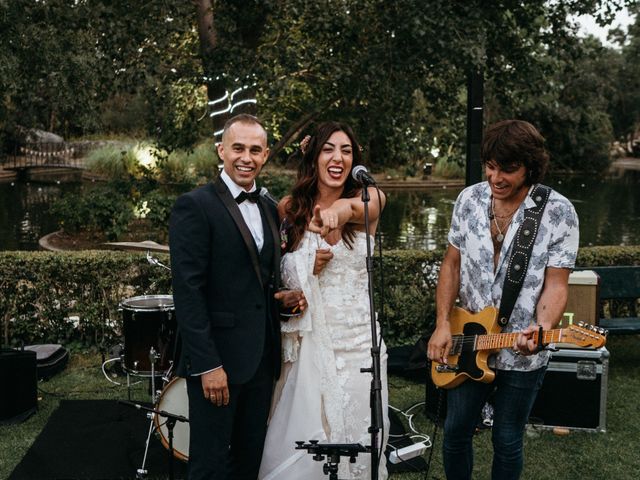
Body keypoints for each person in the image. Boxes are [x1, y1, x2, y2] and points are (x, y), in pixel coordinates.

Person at [427, 119, 580, 479]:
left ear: (530, 166)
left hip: (522, 349)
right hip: (467, 341)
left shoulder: (559, 212)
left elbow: (556, 285)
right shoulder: (468, 199)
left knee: (508, 439)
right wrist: (442, 324)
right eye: (491, 166)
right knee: (455, 433)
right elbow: (451, 264)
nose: (496, 178)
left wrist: (542, 329)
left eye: (508, 169)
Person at [169, 114, 306, 480]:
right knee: (209, 464)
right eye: (238, 148)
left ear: (265, 156)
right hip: (218, 363)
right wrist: (208, 366)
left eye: (255, 150)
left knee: (249, 461)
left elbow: (258, 284)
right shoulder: (194, 205)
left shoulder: (268, 207)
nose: (246, 157)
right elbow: (188, 292)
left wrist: (284, 298)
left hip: (262, 361)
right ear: (221, 151)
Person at [259, 121, 390, 479]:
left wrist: (339, 212)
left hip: (360, 342)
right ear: (314, 157)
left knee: (360, 432)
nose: (338, 157)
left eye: (346, 151)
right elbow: (275, 271)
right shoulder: (288, 209)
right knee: (304, 434)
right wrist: (305, 266)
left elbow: (353, 209)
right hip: (309, 340)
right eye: (329, 149)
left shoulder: (369, 198)